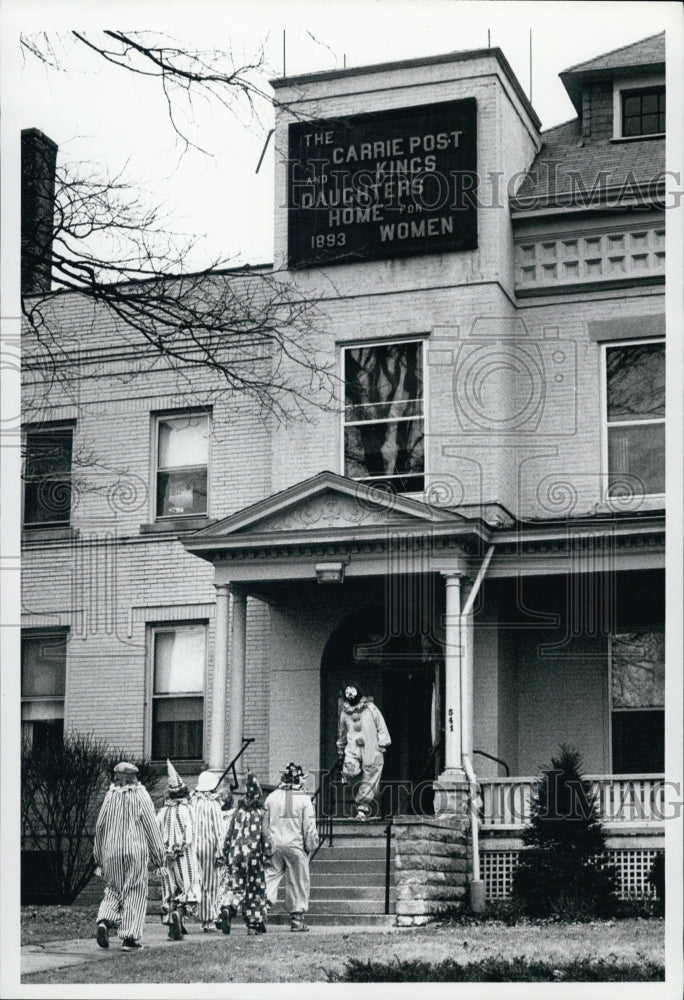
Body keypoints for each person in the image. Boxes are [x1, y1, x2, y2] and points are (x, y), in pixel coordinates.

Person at [93, 761, 167, 952]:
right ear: (134, 778)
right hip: (135, 852)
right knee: (135, 891)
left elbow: (100, 827)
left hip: (110, 852)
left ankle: (105, 921)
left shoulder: (110, 796)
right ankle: (129, 938)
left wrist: (99, 857)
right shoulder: (141, 795)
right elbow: (151, 827)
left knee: (113, 889)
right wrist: (159, 859)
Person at [264, 762, 319, 932]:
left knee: (270, 877)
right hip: (295, 845)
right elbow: (309, 827)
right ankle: (296, 919)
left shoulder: (272, 797)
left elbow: (264, 823)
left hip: (275, 844)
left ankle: (261, 910)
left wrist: (267, 843)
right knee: (298, 881)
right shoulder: (304, 799)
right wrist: (311, 845)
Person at [218, 773, 272, 936]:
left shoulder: (237, 812)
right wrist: (268, 853)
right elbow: (265, 835)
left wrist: (225, 851)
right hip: (254, 856)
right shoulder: (261, 813)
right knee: (255, 890)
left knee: (237, 887)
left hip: (235, 854)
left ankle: (229, 907)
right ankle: (253, 923)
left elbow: (229, 833)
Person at [156, 760, 202, 941]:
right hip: (184, 856)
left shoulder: (163, 812)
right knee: (190, 888)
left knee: (170, 889)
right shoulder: (187, 810)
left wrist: (164, 851)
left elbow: (156, 831)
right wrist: (179, 848)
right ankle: (180, 913)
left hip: (166, 857)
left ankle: (174, 926)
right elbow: (189, 834)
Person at [337, 682, 391, 820]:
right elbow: (342, 733)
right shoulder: (345, 713)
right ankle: (349, 779)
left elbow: (381, 725)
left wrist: (382, 743)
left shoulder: (371, 708)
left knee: (370, 774)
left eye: (352, 691)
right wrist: (341, 749)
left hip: (371, 747)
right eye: (347, 692)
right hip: (353, 748)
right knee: (350, 769)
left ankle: (362, 809)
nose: (350, 694)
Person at [189, 770, 225, 931]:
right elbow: (219, 831)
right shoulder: (213, 804)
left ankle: (185, 913)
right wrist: (221, 852)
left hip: (192, 847)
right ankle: (208, 919)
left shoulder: (191, 802)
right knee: (209, 883)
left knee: (195, 882)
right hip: (209, 848)